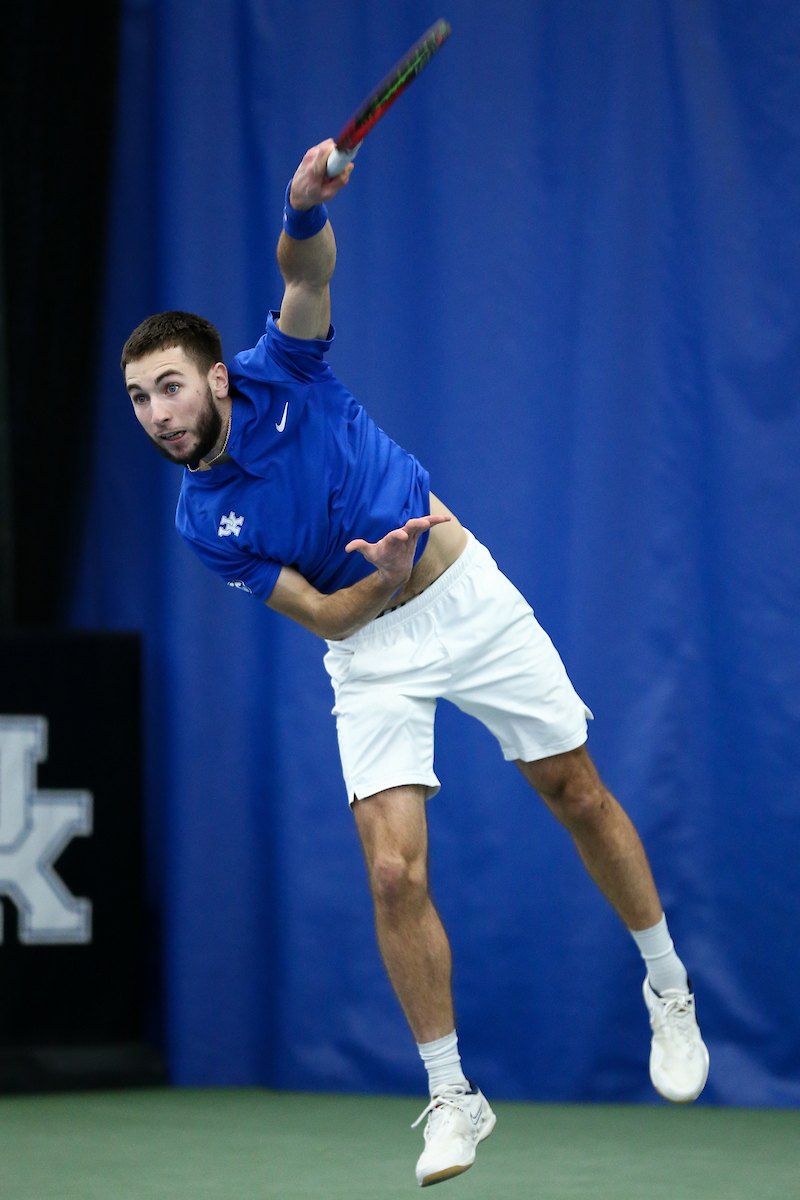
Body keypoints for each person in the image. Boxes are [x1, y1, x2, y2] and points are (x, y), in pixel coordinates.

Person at [122, 140, 709, 1188]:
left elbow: (306, 275)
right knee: (391, 871)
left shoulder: (284, 368)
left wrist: (303, 208)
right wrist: (381, 578)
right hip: (374, 648)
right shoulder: (203, 519)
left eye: (169, 387)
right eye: (138, 400)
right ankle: (450, 1096)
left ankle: (665, 986)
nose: (158, 414)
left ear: (215, 377)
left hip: (467, 600)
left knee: (575, 791)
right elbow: (329, 619)